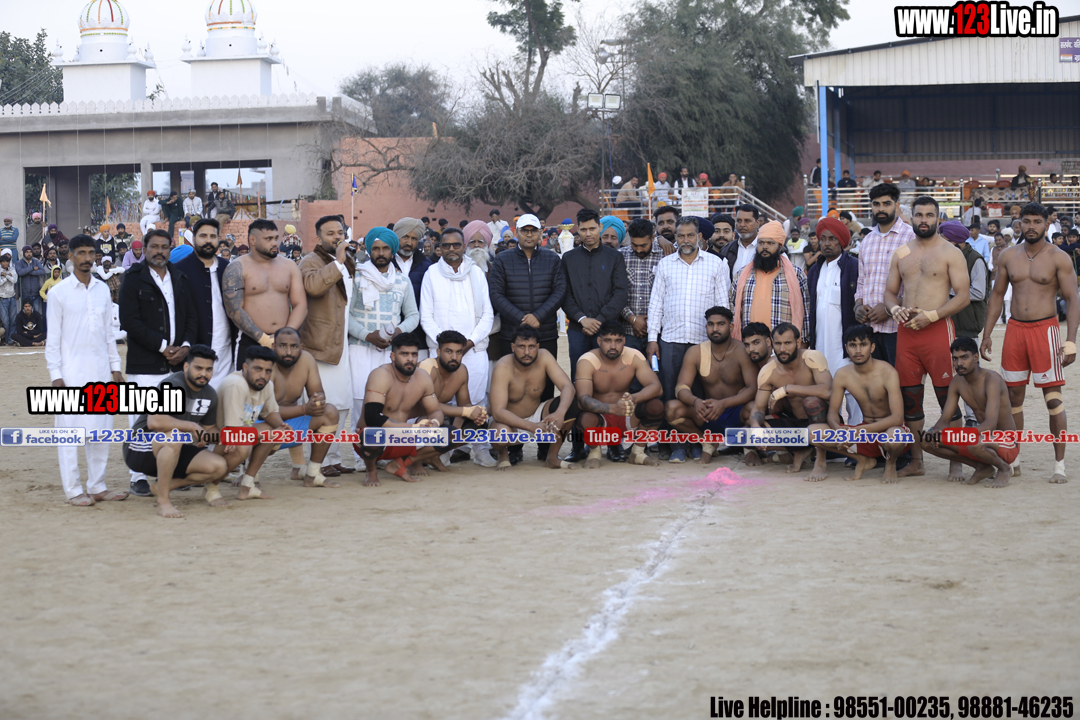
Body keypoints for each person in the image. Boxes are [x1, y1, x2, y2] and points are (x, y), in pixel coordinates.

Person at [981, 202, 1078, 483]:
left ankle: (1059, 465)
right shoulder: (1008, 256)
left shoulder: (1059, 257)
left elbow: (1072, 299)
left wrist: (1071, 341)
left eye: (1037, 221)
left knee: (1053, 399)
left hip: (1045, 331)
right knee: (1012, 399)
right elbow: (996, 296)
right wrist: (987, 334)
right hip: (1015, 331)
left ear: (1047, 224)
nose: (1031, 226)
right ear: (1019, 224)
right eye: (1027, 221)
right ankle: (1014, 459)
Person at [884, 195, 971, 480]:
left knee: (948, 397)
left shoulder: (950, 252)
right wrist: (894, 308)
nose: (924, 220)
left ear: (938, 218)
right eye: (919, 215)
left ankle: (955, 460)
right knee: (910, 399)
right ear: (911, 218)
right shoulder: (901, 253)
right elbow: (889, 293)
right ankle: (917, 461)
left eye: (929, 215)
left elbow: (963, 296)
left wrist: (933, 315)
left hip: (937, 332)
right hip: (907, 333)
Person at [45, 235, 128, 506]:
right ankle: (73, 490)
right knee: (69, 434)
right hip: (70, 374)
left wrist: (115, 368)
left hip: (101, 371)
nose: (87, 258)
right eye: (81, 253)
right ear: (70, 256)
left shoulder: (102, 290)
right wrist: (56, 375)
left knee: (101, 430)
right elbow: (53, 339)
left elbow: (108, 334)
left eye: (91, 253)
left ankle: (97, 486)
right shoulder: (58, 293)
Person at [118, 228, 199, 496]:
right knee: (140, 419)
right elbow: (130, 321)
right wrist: (163, 347)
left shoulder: (179, 276)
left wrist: (185, 346)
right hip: (145, 363)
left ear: (170, 249)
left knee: (173, 418)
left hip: (176, 364)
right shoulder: (133, 278)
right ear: (145, 249)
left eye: (164, 247)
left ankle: (171, 470)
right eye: (154, 247)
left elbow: (191, 316)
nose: (159, 251)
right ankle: (138, 476)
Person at [488, 213, 566, 463]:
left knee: (545, 388)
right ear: (517, 233)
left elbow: (559, 291)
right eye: (524, 230)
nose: (529, 234)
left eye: (533, 230)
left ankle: (545, 445)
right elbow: (496, 294)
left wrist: (539, 316)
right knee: (513, 389)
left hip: (545, 332)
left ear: (541, 233)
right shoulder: (503, 260)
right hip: (512, 334)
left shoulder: (552, 259)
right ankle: (515, 446)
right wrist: (522, 318)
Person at [122, 345, 231, 518]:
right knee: (174, 438)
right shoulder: (172, 385)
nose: (203, 374)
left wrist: (227, 438)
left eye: (208, 369)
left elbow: (209, 429)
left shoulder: (209, 394)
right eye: (198, 368)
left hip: (174, 447)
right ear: (186, 367)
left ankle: (167, 485)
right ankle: (163, 502)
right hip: (139, 448)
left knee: (218, 467)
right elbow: (155, 421)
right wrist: (192, 426)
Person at [420, 227, 497, 467]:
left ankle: (481, 449)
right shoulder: (431, 274)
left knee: (476, 401)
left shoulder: (476, 272)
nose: (451, 249)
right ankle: (442, 450)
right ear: (440, 248)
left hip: (474, 349)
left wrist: (469, 343)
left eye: (456, 245)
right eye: (446, 245)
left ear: (464, 247)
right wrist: (446, 348)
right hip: (440, 352)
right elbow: (426, 316)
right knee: (441, 402)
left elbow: (487, 314)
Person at [236, 327, 343, 489]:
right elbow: (263, 413)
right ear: (273, 347)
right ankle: (248, 474)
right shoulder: (265, 367)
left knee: (329, 412)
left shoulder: (307, 360)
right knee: (261, 426)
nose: (288, 352)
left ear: (301, 347)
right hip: (261, 427)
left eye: (294, 346)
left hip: (288, 427)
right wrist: (304, 409)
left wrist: (317, 400)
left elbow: (317, 392)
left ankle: (313, 474)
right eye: (282, 346)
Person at [348, 226, 420, 464]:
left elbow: (413, 316)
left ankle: (389, 454)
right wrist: (367, 335)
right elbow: (346, 315)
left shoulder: (402, 281)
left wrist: (398, 332)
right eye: (376, 248)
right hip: (360, 348)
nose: (380, 253)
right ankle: (362, 457)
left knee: (389, 402)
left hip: (390, 352)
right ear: (369, 250)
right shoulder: (356, 277)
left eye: (385, 248)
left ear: (393, 251)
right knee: (360, 402)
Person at [803, 324, 910, 483]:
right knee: (812, 432)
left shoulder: (888, 372)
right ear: (846, 348)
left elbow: (897, 418)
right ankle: (863, 460)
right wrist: (839, 430)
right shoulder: (843, 374)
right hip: (864, 434)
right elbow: (832, 412)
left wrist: (859, 430)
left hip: (888, 431)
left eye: (863, 344)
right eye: (853, 345)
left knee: (895, 436)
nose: (858, 350)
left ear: (872, 347)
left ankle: (891, 463)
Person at [646, 217, 731, 411]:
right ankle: (673, 431)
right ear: (675, 237)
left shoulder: (715, 264)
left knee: (703, 393)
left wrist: (722, 340)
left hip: (704, 340)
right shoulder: (665, 264)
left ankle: (701, 431)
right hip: (671, 340)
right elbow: (656, 304)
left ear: (699, 236)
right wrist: (652, 339)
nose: (685, 240)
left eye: (690, 235)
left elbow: (722, 306)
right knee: (670, 392)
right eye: (681, 236)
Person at [297, 215, 357, 477]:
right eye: (330, 233)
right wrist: (339, 263)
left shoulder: (347, 261)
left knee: (342, 403)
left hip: (341, 345)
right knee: (324, 404)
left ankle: (332, 457)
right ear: (318, 237)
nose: (337, 237)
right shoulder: (310, 261)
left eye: (340, 232)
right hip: (319, 346)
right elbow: (312, 287)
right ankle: (318, 461)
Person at [665, 307, 758, 464]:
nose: (715, 329)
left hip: (737, 413)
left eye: (721, 324)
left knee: (754, 407)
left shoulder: (742, 350)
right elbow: (681, 387)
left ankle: (749, 447)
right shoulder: (696, 352)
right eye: (710, 324)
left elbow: (753, 388)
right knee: (671, 408)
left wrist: (724, 404)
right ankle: (707, 442)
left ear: (731, 327)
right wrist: (696, 402)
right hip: (709, 414)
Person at [923, 338, 1019, 488]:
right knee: (925, 439)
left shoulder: (992, 380)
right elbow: (945, 419)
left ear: (975, 357)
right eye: (955, 359)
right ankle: (982, 467)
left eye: (964, 357)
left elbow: (990, 425)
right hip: (980, 439)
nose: (959, 363)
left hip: (1006, 442)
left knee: (974, 442)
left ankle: (1004, 468)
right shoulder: (957, 382)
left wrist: (963, 435)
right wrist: (936, 432)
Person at [352, 333, 444, 486]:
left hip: (402, 438)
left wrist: (434, 423)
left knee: (449, 435)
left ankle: (400, 464)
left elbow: (436, 411)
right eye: (404, 354)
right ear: (393, 356)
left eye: (414, 354)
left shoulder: (422, 377)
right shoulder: (381, 375)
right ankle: (371, 472)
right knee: (372, 435)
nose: (410, 359)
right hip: (374, 440)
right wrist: (413, 428)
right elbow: (372, 417)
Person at [489, 325, 580, 470]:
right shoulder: (503, 366)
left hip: (537, 415)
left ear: (537, 347)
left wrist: (560, 412)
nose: (527, 352)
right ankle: (502, 454)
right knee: (499, 435)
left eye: (531, 347)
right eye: (521, 346)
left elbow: (568, 386)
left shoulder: (544, 357)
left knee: (571, 405)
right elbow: (498, 412)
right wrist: (532, 427)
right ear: (513, 347)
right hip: (510, 422)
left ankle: (552, 457)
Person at [574, 321, 663, 467]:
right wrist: (612, 408)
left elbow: (656, 387)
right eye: (608, 341)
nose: (613, 346)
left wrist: (634, 398)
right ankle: (594, 452)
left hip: (626, 415)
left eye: (618, 341)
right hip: (600, 418)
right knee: (585, 417)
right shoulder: (587, 360)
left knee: (656, 406)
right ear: (599, 341)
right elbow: (583, 400)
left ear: (624, 341)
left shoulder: (634, 356)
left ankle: (638, 452)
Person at [222, 219, 307, 370]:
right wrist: (263, 339)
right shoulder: (237, 268)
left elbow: (300, 305)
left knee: (283, 385)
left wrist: (285, 336)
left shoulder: (289, 266)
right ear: (252, 240)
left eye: (276, 238)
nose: (274, 243)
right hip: (250, 340)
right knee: (248, 384)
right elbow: (234, 310)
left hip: (284, 341)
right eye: (268, 239)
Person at [748, 323, 832, 471]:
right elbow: (758, 408)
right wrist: (755, 427)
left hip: (825, 423)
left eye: (788, 343)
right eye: (778, 344)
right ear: (772, 343)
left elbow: (828, 391)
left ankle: (820, 460)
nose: (782, 349)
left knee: (812, 402)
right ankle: (801, 450)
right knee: (746, 434)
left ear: (798, 343)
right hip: (796, 425)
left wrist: (788, 389)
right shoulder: (768, 371)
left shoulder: (811, 358)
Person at [562, 209, 629, 380]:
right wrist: (582, 319)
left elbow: (621, 292)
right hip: (578, 328)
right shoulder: (568, 258)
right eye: (583, 229)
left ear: (600, 227)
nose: (588, 233)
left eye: (592, 228)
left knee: (606, 376)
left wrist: (599, 320)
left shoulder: (614, 257)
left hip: (606, 329)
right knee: (580, 375)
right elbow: (564, 293)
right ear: (578, 229)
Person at [806, 217, 861, 424]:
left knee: (853, 393)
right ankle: (830, 436)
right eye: (823, 239)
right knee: (824, 392)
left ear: (841, 241)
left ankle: (857, 437)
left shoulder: (854, 266)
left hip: (846, 346)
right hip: (820, 345)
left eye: (832, 239)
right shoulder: (815, 270)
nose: (826, 243)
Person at [216, 345, 287, 500]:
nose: (263, 375)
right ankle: (210, 488)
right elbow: (233, 432)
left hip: (240, 435)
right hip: (217, 439)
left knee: (273, 431)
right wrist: (272, 433)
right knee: (248, 443)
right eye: (258, 369)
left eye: (268, 371)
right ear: (245, 367)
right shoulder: (236, 384)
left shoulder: (266, 385)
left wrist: (282, 428)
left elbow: (270, 413)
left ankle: (247, 486)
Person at [413, 330, 490, 469]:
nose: (454, 357)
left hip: (437, 417)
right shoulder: (427, 367)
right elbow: (426, 405)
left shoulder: (461, 371)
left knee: (479, 426)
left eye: (459, 352)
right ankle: (414, 460)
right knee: (435, 424)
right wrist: (466, 411)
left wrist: (476, 413)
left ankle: (434, 455)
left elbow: (464, 404)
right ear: (438, 352)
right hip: (413, 419)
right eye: (449, 351)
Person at [854, 183, 914, 364]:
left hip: (899, 328)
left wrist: (889, 309)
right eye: (876, 204)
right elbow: (861, 281)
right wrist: (858, 306)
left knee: (901, 379)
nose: (881, 209)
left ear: (896, 206)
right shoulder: (867, 240)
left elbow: (918, 286)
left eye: (886, 204)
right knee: (874, 380)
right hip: (869, 329)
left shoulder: (910, 238)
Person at [175, 218, 235, 389]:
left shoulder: (227, 267)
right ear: (194, 238)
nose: (208, 240)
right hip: (195, 349)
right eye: (203, 236)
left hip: (226, 352)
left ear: (218, 239)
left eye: (212, 236)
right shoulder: (180, 270)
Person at [730, 221, 811, 342]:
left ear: (780, 246)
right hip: (749, 346)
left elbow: (806, 311)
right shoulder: (742, 275)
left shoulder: (796, 275)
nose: (765, 247)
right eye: (761, 243)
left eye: (770, 243)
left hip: (783, 347)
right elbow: (732, 308)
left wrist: (803, 343)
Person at [619, 219, 665, 354]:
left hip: (659, 332)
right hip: (628, 331)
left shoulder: (665, 256)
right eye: (634, 245)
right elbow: (614, 292)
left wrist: (650, 323)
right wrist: (633, 319)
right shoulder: (620, 256)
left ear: (653, 238)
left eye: (643, 245)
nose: (638, 249)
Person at [718, 204, 760, 282]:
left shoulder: (768, 249)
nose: (742, 225)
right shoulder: (726, 250)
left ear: (757, 223)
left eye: (747, 221)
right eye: (739, 221)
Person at [14, 245, 46, 314]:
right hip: (24, 293)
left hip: (35, 293)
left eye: (30, 252)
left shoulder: (36, 261)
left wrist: (29, 272)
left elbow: (42, 271)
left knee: (36, 313)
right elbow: (20, 272)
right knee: (25, 313)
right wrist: (32, 268)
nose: (29, 254)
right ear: (24, 253)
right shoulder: (19, 263)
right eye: (27, 252)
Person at [0, 249, 17, 344]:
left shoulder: (12, 269)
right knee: (5, 321)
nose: (5, 263)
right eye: (3, 261)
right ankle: (6, 340)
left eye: (7, 261)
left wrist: (5, 276)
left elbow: (14, 280)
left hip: (12, 297)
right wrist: (7, 277)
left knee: (13, 320)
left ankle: (10, 339)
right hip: (2, 299)